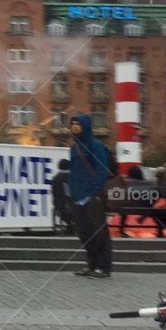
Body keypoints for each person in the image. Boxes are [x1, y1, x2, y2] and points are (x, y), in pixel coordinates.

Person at [68, 113, 113, 278]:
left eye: (78, 123)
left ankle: (104, 267)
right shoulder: (74, 148)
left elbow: (101, 171)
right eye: (72, 123)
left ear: (85, 126)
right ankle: (91, 264)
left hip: (93, 196)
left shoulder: (96, 146)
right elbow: (74, 172)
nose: (74, 126)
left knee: (99, 232)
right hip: (77, 197)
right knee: (83, 232)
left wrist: (94, 192)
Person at [51, 157, 73, 233]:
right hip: (71, 207)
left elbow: (54, 193)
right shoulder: (72, 178)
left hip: (59, 207)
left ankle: (69, 225)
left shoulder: (55, 179)